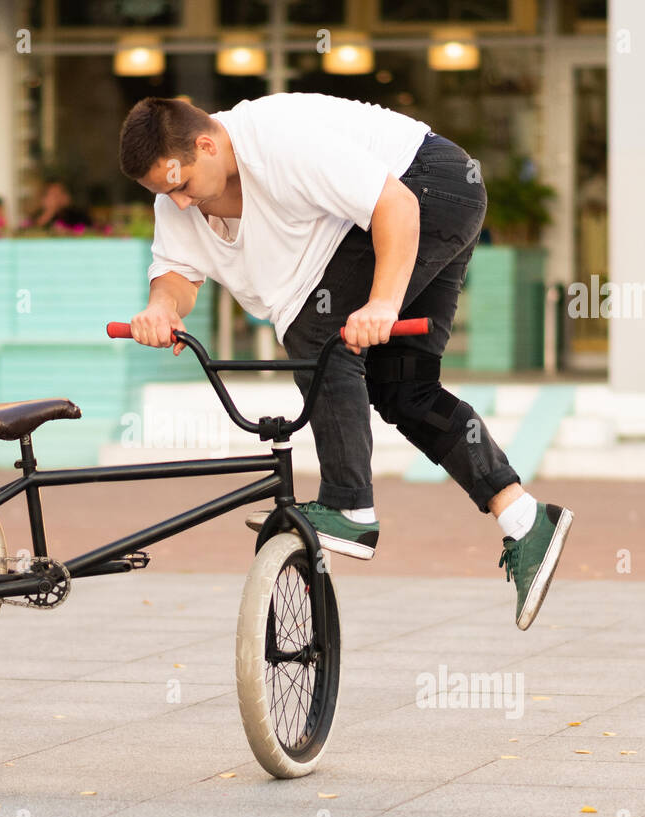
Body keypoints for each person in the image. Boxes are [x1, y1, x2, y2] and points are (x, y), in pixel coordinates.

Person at [118, 94, 574, 631]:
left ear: (206, 144)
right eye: (163, 194)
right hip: (398, 213)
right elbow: (177, 274)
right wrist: (160, 307)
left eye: (181, 186)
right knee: (404, 390)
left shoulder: (280, 141)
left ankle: (349, 506)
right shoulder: (177, 198)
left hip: (430, 185)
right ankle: (526, 520)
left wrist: (381, 303)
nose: (179, 204)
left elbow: (396, 206)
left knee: (317, 329)